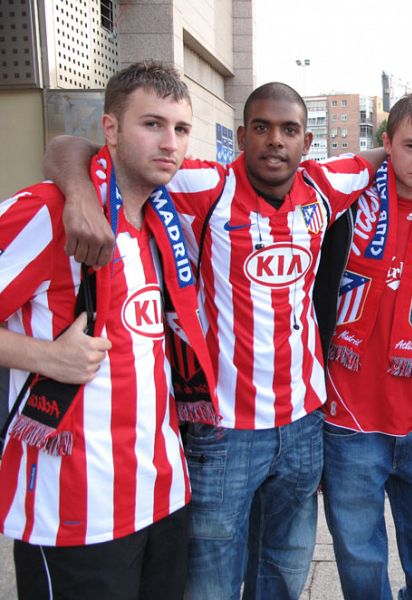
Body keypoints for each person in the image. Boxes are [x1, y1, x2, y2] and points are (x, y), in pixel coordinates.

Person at [44, 83, 412, 599]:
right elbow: (77, 148)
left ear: (307, 142)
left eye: (289, 131)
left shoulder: (324, 187)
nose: (275, 142)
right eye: (262, 128)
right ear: (241, 135)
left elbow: (410, 155)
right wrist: (81, 193)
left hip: (304, 426)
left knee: (283, 574)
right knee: (213, 580)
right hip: (225, 431)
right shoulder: (205, 185)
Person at [0, 61, 218, 599]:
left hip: (163, 494)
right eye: (152, 124)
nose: (170, 142)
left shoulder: (169, 219)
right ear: (112, 129)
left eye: (181, 128)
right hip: (73, 508)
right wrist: (44, 356)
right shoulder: (50, 212)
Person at [313, 92, 412, 599]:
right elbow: (304, 170)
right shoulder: (346, 201)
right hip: (347, 420)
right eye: (409, 145)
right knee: (359, 556)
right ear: (386, 144)